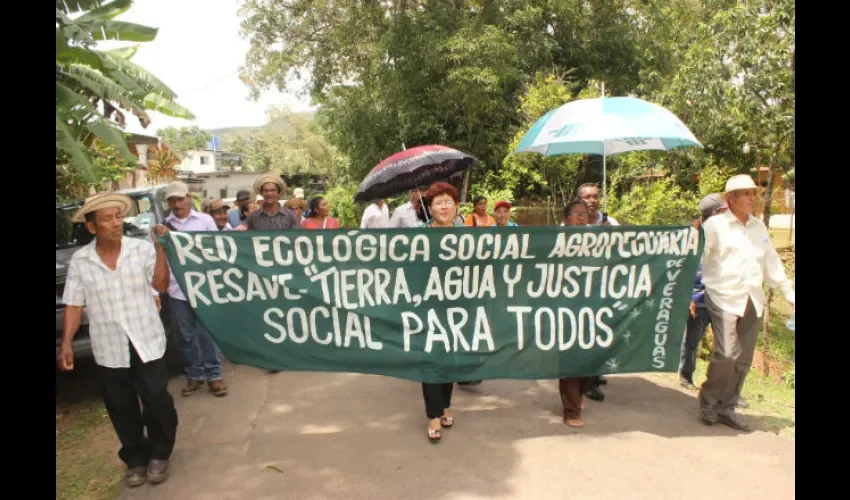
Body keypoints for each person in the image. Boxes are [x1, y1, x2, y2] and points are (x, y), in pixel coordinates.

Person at [58, 192, 178, 487]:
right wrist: (66, 343)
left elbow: (161, 285)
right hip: (109, 346)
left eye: (119, 217)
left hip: (146, 340)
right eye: (107, 219)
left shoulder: (141, 249)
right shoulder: (81, 262)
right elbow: (74, 303)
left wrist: (160, 249)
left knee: (156, 398)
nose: (116, 223)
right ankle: (135, 459)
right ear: (91, 227)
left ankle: (160, 452)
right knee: (121, 405)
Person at [698, 175, 795, 432]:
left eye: (754, 193)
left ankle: (726, 408)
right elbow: (698, 256)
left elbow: (771, 262)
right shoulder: (715, 226)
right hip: (722, 296)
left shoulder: (757, 227)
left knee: (742, 360)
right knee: (727, 353)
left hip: (752, 298)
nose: (752, 198)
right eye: (746, 193)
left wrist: (789, 294)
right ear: (731, 198)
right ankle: (709, 399)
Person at [162, 181, 228, 397]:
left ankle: (214, 375)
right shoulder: (162, 226)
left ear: (188, 198)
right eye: (172, 200)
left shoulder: (205, 221)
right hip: (177, 289)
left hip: (204, 286)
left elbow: (217, 249)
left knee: (207, 332)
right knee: (185, 335)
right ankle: (194, 375)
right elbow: (158, 257)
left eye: (180, 199)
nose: (177, 204)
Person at [418, 182, 464, 442]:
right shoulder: (420, 237)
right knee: (433, 360)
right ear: (430, 208)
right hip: (428, 308)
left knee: (451, 360)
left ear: (456, 206)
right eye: (438, 202)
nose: (444, 207)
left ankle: (445, 405)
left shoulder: (467, 236)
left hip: (459, 309)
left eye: (448, 202)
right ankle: (434, 414)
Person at [679, 193, 727, 391]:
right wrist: (687, 297)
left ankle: (723, 386)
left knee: (726, 346)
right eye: (724, 211)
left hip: (723, 299)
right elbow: (683, 269)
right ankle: (686, 376)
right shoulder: (693, 237)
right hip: (699, 298)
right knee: (692, 341)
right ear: (715, 214)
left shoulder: (728, 234)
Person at [575, 183, 617, 400]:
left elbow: (627, 250)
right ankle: (586, 381)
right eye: (587, 197)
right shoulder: (571, 223)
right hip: (578, 289)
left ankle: (594, 373)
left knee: (602, 331)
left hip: (604, 286)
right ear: (579, 199)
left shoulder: (611, 223)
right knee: (584, 334)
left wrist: (612, 236)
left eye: (595, 196)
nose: (591, 201)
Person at [557, 198, 595, 427]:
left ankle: (580, 394)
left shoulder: (598, 236)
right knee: (570, 358)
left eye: (584, 214)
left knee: (590, 357)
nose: (582, 217)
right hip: (565, 308)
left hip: (594, 306)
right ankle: (571, 409)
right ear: (566, 218)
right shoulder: (555, 240)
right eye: (577, 213)